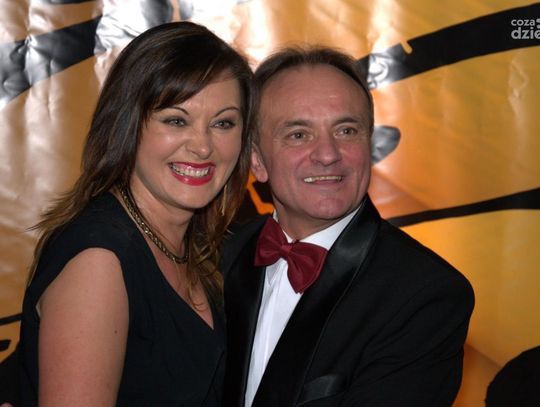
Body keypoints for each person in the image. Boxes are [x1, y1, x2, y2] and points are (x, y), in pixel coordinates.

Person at [222, 46, 475, 406]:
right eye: (298, 134)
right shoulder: (212, 258)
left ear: (368, 146)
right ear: (257, 161)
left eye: (346, 130)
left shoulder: (425, 295)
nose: (328, 154)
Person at [18, 21, 254, 406]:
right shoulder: (99, 261)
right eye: (176, 120)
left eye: (223, 123)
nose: (202, 146)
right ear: (127, 123)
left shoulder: (202, 250)